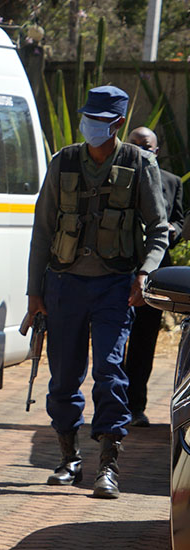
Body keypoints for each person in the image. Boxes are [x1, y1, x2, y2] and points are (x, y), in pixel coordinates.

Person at [27, 86, 169, 499]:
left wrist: (145, 274)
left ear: (117, 124)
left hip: (114, 286)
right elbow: (42, 231)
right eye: (87, 117)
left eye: (100, 121)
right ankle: (69, 458)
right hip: (64, 285)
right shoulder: (64, 161)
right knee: (63, 377)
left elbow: (158, 229)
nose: (90, 126)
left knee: (109, 372)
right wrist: (34, 293)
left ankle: (108, 463)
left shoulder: (139, 163)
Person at [123, 127, 183, 428]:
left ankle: (136, 407)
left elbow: (179, 220)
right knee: (114, 345)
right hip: (119, 272)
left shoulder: (171, 182)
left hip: (154, 276)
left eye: (146, 147)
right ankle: (112, 407)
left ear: (156, 150)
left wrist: (173, 230)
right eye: (134, 146)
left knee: (143, 344)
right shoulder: (117, 178)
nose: (141, 151)